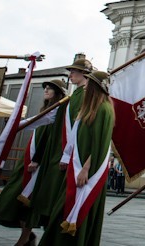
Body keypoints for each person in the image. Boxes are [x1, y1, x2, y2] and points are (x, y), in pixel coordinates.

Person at [0, 79, 67, 246]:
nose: (46, 90)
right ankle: (27, 236)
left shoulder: (58, 111)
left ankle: (25, 238)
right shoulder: (46, 109)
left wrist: (37, 160)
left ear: (58, 93)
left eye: (50, 88)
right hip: (30, 157)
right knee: (18, 196)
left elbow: (48, 138)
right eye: (45, 87)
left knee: (27, 199)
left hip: (38, 161)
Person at [40, 70, 115, 245]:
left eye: (89, 83)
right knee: (62, 211)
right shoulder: (88, 108)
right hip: (77, 166)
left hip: (87, 171)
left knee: (74, 213)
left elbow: (101, 145)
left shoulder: (104, 109)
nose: (86, 86)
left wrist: (86, 169)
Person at [29, 56, 91, 236]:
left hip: (68, 152)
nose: (70, 74)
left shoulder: (85, 94)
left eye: (74, 71)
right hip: (60, 149)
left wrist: (66, 155)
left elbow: (77, 125)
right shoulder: (76, 94)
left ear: (84, 73)